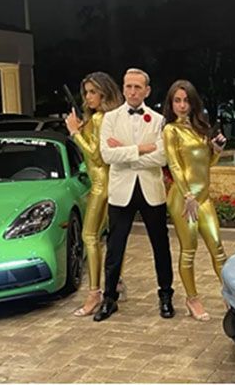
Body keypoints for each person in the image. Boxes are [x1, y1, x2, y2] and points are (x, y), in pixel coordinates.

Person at [94, 68, 175, 321]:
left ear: (147, 91)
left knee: (161, 246)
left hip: (151, 190)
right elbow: (108, 156)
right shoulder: (110, 119)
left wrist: (126, 154)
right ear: (123, 87)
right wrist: (141, 149)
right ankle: (109, 298)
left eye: (137, 87)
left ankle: (165, 296)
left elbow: (162, 156)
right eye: (128, 86)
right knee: (115, 247)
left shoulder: (159, 119)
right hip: (121, 192)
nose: (132, 91)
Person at [162, 80, 227, 322]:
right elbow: (175, 165)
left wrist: (217, 152)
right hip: (183, 198)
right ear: (171, 103)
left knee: (218, 249)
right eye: (177, 100)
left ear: (193, 102)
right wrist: (187, 194)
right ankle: (192, 299)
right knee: (189, 251)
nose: (181, 105)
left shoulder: (200, 127)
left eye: (186, 100)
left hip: (203, 198)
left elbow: (205, 166)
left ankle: (229, 295)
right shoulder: (171, 130)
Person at [64, 72, 128, 317]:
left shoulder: (102, 119)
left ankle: (94, 293)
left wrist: (75, 133)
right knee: (109, 237)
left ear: (104, 92)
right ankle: (115, 282)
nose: (88, 97)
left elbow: (97, 155)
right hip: (104, 183)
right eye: (86, 92)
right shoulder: (101, 118)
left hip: (102, 185)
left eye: (93, 92)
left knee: (89, 235)